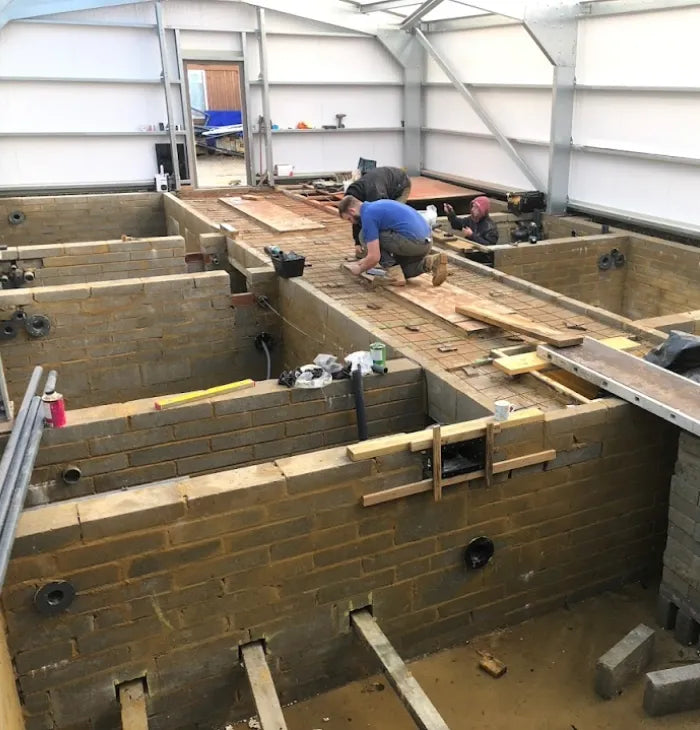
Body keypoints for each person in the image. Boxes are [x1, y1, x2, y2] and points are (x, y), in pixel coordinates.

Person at [338, 196, 447, 287]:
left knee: (363, 235)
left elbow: (374, 257)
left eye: (349, 219)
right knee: (404, 271)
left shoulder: (368, 215)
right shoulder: (378, 205)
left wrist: (359, 268)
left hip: (412, 242)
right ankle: (431, 262)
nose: (352, 222)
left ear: (352, 211)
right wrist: (360, 262)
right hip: (426, 243)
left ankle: (394, 274)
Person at [344, 166, 412, 258]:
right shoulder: (353, 195)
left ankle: (394, 257)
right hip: (385, 183)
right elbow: (355, 218)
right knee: (365, 234)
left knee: (388, 223)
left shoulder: (374, 195)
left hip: (401, 185)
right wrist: (357, 242)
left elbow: (382, 217)